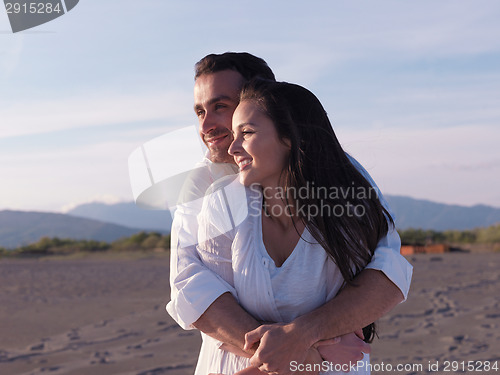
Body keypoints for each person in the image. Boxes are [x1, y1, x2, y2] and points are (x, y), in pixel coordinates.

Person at [166, 53, 412, 374]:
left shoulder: (340, 175)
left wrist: (303, 336)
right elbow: (191, 286)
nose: (206, 126)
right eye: (200, 111)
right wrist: (306, 355)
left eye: (220, 107)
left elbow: (386, 270)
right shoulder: (203, 188)